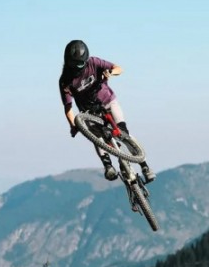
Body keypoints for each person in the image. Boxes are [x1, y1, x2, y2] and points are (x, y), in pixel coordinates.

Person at [59, 39, 156, 183]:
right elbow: (68, 107)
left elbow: (118, 68)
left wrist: (110, 72)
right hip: (89, 113)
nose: (78, 68)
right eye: (74, 64)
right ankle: (108, 166)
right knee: (98, 139)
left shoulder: (93, 62)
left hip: (108, 102)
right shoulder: (65, 81)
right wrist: (73, 125)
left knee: (123, 134)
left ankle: (144, 166)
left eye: (80, 64)